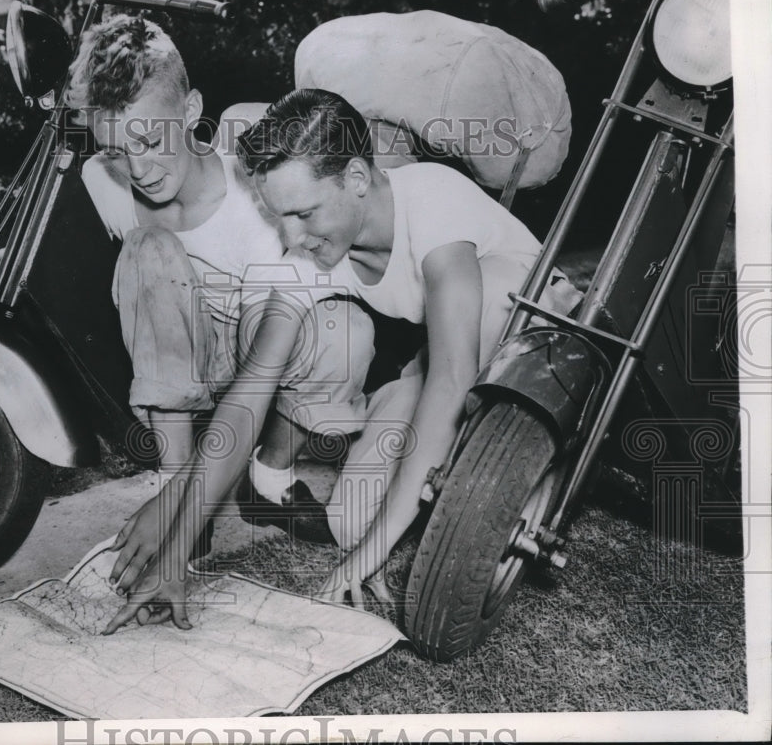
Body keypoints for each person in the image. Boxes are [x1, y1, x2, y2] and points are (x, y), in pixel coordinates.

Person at [0, 17, 376, 553]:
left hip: (261, 356)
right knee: (149, 248)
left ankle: (268, 479)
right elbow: (36, 259)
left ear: (190, 110)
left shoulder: (253, 182)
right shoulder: (103, 178)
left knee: (347, 330)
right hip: (171, 364)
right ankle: (180, 492)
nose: (140, 169)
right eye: (117, 148)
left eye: (151, 141)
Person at [104, 87, 581, 629]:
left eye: (303, 213)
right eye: (277, 216)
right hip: (445, 366)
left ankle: (524, 459)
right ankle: (443, 462)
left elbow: (451, 378)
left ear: (356, 178)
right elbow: (247, 398)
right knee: (352, 520)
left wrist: (368, 558)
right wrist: (176, 554)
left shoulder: (435, 200)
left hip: (545, 340)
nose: (291, 236)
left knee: (491, 297)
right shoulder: (310, 249)